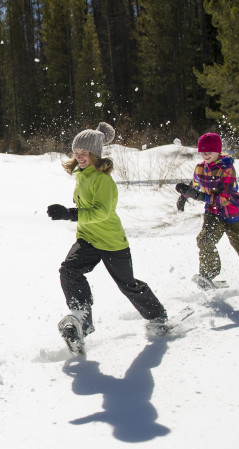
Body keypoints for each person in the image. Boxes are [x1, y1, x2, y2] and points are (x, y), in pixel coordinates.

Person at [47, 122, 171, 349]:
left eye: (84, 153)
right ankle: (82, 318)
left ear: (95, 153)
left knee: (127, 284)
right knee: (69, 270)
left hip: (111, 241)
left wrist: (70, 214)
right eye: (76, 153)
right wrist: (71, 213)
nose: (80, 157)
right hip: (88, 238)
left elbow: (102, 212)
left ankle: (158, 316)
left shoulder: (103, 180)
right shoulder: (82, 176)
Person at [175, 133, 239, 297]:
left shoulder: (226, 168)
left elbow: (224, 198)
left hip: (234, 215)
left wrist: (199, 197)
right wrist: (185, 195)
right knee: (204, 240)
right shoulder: (200, 168)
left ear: (218, 151)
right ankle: (208, 275)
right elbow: (195, 184)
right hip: (213, 213)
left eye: (210, 151)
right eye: (203, 151)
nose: (206, 154)